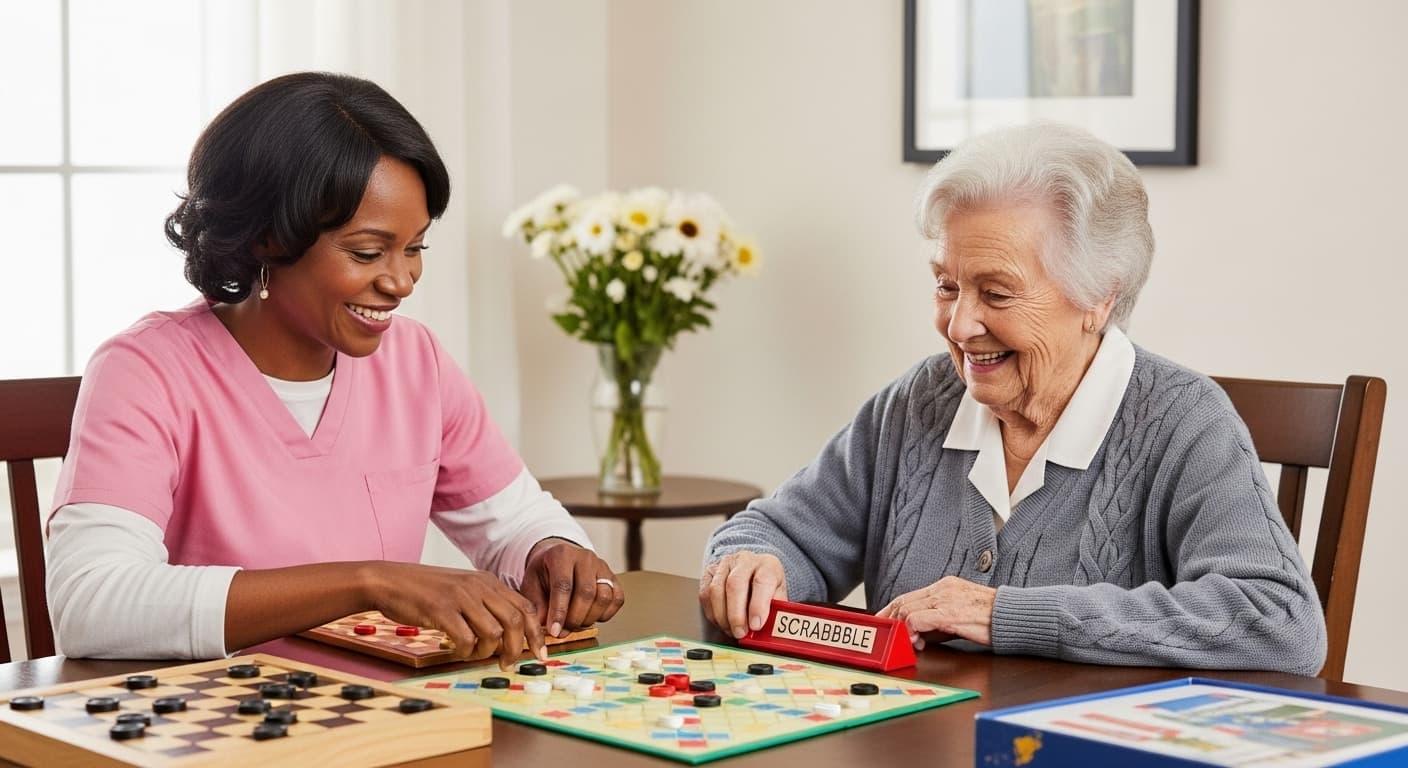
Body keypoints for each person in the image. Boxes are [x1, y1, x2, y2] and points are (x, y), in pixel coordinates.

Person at [699, 122, 1327, 675]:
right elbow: (778, 531)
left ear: (1098, 297)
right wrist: (755, 564)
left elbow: (1280, 620)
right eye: (947, 286)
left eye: (996, 294)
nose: (960, 325)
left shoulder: (1182, 421)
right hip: (910, 746)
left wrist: (1004, 614)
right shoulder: (923, 401)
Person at [46, 72, 623, 667]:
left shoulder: (415, 361)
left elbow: (515, 520)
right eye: (367, 252)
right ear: (267, 239)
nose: (401, 282)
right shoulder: (146, 371)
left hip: (391, 707)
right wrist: (368, 582)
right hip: (222, 716)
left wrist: (550, 549)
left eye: (415, 248)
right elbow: (91, 602)